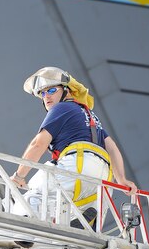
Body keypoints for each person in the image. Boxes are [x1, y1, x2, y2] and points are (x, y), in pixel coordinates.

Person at [10, 67, 137, 223]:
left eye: (51, 90)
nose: (46, 97)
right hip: (101, 175)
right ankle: (82, 222)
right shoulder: (91, 117)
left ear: (67, 91)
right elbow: (111, 148)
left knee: (33, 196)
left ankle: (24, 231)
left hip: (76, 164)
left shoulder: (61, 108)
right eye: (42, 94)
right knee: (71, 209)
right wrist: (121, 179)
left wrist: (19, 176)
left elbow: (38, 144)